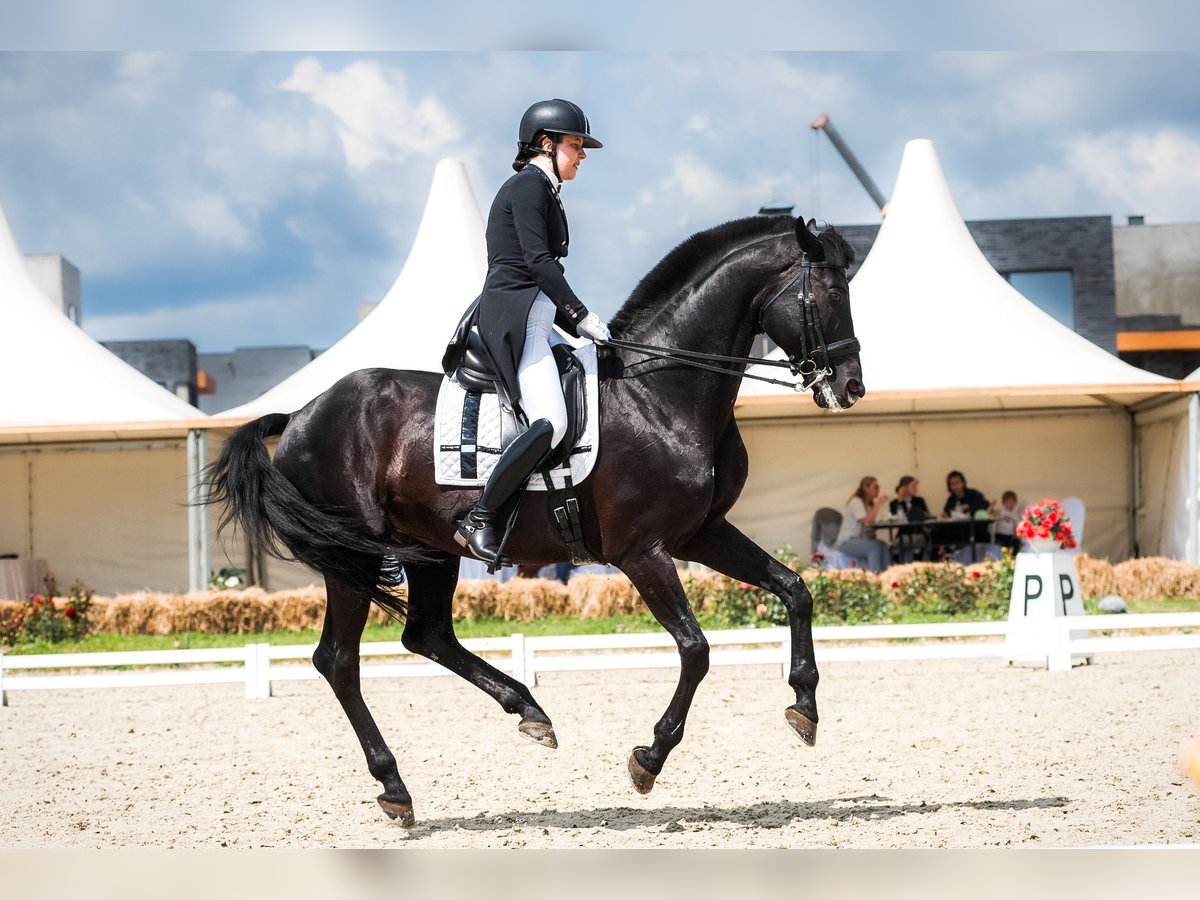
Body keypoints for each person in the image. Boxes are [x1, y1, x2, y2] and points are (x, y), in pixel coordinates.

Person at [452, 99, 610, 563]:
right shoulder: (528, 186)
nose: (582, 155)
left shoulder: (543, 188)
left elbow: (540, 273)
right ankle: (480, 516)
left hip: (539, 316)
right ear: (547, 144)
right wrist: (580, 314)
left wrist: (583, 330)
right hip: (515, 320)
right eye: (576, 145)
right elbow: (538, 263)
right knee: (552, 422)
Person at [834, 476, 893, 573]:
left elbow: (871, 521)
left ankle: (888, 575)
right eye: (876, 487)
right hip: (846, 542)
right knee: (874, 547)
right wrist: (878, 504)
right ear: (866, 488)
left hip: (858, 539)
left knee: (883, 545)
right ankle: (875, 577)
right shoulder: (856, 501)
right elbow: (866, 521)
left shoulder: (868, 503)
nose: (878, 490)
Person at [940, 470, 992, 561]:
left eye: (957, 483)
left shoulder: (973, 494)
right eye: (952, 484)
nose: (955, 486)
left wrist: (969, 507)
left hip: (975, 529)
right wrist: (945, 514)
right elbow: (947, 511)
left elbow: (985, 504)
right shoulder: (951, 499)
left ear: (963, 483)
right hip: (957, 529)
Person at [889, 475, 930, 562]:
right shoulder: (894, 503)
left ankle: (916, 564)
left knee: (919, 541)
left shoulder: (919, 500)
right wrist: (900, 500)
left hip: (919, 532)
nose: (916, 489)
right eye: (913, 486)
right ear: (905, 488)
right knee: (896, 545)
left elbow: (927, 515)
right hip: (904, 533)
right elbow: (894, 516)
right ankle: (896, 565)